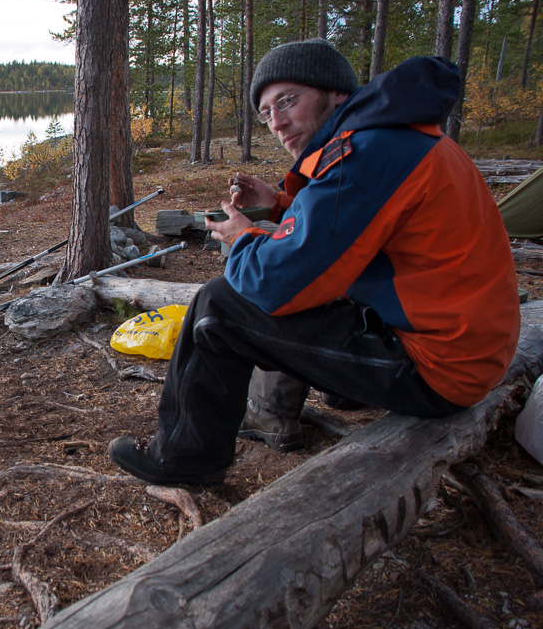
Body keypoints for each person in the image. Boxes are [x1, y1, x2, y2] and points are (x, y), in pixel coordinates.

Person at [108, 38, 521, 486]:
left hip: (437, 369)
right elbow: (350, 233)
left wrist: (242, 235)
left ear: (335, 92)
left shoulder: (363, 155)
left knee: (220, 306)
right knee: (294, 286)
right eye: (266, 113)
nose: (278, 122)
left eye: (288, 101)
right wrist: (283, 205)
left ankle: (184, 460)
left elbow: (270, 286)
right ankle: (316, 400)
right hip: (468, 348)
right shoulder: (397, 138)